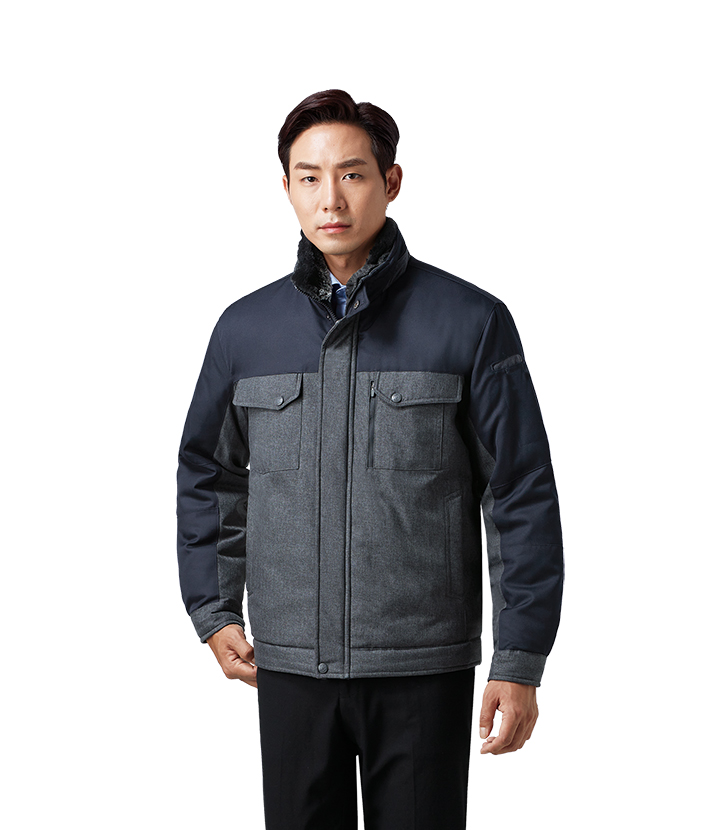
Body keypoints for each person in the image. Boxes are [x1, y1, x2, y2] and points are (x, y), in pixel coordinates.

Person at [176, 89, 564, 830]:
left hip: (423, 668)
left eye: (352, 174)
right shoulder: (244, 330)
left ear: (391, 182)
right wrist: (212, 607)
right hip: (289, 665)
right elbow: (208, 473)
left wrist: (520, 658)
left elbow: (520, 491)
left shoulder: (472, 320)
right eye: (309, 177)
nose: (331, 198)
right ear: (286, 187)